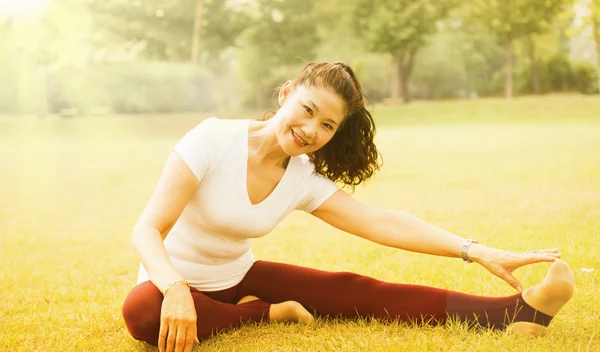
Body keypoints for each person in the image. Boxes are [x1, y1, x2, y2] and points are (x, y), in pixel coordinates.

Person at [122, 62, 574, 352]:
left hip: (236, 278)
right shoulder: (212, 139)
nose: (309, 130)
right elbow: (147, 230)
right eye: (307, 109)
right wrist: (178, 289)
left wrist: (478, 251)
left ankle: (519, 314)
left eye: (327, 125)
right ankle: (264, 312)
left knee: (356, 289)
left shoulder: (300, 178)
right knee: (141, 311)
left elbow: (381, 222)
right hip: (167, 282)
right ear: (286, 93)